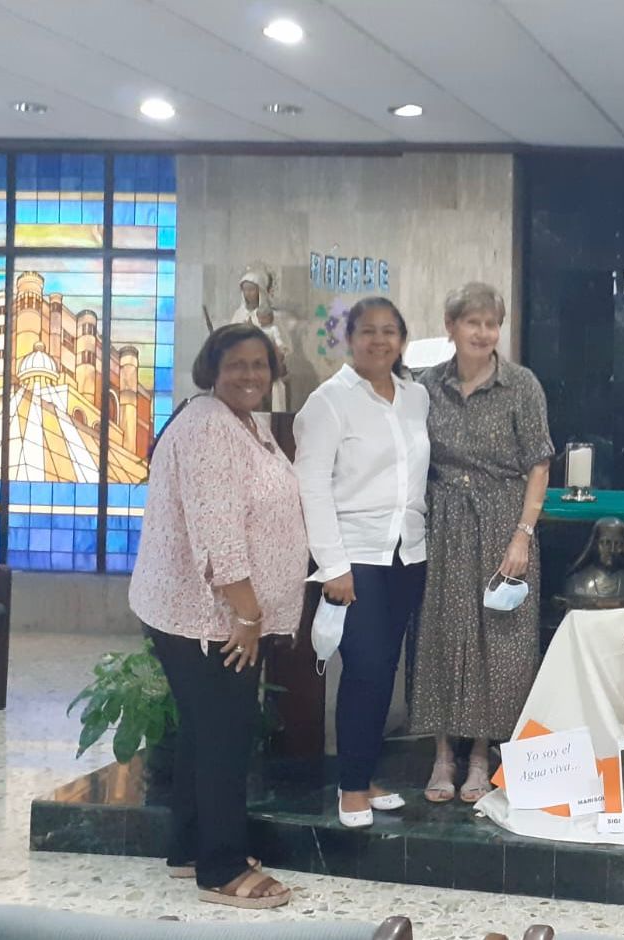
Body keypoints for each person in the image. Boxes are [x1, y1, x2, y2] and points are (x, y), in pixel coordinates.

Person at [128, 323, 306, 909]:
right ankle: (222, 869)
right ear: (213, 369)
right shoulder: (208, 427)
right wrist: (247, 617)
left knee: (205, 730)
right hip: (209, 618)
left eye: (260, 364)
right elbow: (218, 536)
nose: (250, 375)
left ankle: (189, 847)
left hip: (214, 613)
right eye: (237, 365)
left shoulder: (244, 422)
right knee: (225, 735)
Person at [413, 282, 553, 804]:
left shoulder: (521, 385)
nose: (483, 332)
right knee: (441, 635)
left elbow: (539, 464)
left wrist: (523, 536)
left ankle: (479, 754)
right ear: (450, 327)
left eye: (491, 323)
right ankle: (442, 754)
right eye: (472, 322)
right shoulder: (425, 387)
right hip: (442, 524)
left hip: (501, 522)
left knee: (498, 640)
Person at [293, 297, 430, 829]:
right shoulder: (328, 402)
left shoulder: (415, 397)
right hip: (355, 555)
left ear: (402, 339)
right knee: (364, 669)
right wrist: (333, 566)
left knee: (384, 671)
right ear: (349, 338)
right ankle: (350, 787)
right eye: (368, 330)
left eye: (389, 331)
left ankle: (365, 774)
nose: (379, 340)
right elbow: (311, 486)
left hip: (407, 552)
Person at [228, 265, 289, 411]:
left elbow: (282, 345)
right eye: (245, 290)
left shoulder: (271, 316)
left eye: (251, 289)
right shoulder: (239, 315)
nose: (248, 293)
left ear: (260, 291)